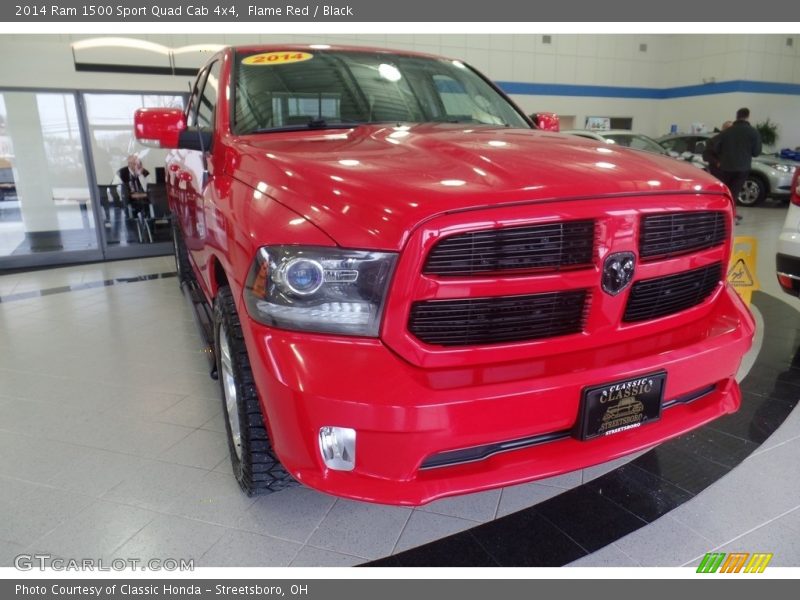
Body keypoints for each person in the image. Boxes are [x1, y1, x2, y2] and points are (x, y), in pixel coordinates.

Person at [710, 108, 762, 224]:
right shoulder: (753, 132)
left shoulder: (727, 132)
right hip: (742, 168)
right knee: (734, 192)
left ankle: (719, 216)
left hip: (725, 167)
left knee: (724, 192)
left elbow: (716, 148)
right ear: (748, 116)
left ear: (737, 116)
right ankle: (730, 218)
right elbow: (756, 152)